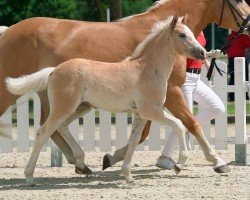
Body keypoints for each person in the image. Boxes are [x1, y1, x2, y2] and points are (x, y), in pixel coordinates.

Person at [156, 32, 226, 169]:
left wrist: (208, 57)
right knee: (184, 119)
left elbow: (197, 50)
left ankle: (189, 127)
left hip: (196, 78)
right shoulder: (183, 31)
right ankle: (164, 157)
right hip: (184, 77)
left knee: (217, 108)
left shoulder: (199, 30)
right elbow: (183, 51)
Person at [227, 31, 250, 101]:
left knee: (232, 77)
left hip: (231, 58)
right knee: (244, 76)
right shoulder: (243, 35)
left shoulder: (230, 36)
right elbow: (248, 46)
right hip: (241, 59)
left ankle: (231, 96)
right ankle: (244, 96)